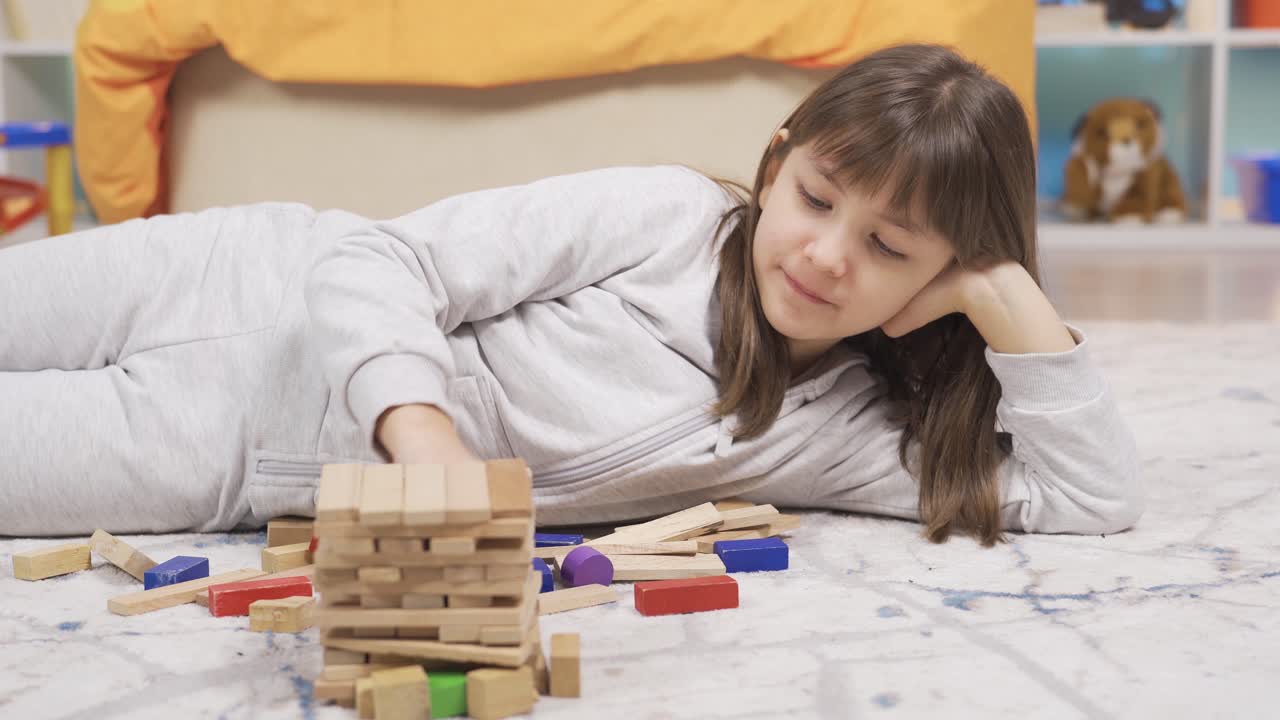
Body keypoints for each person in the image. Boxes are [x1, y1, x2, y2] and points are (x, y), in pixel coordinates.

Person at [0, 44, 1142, 545]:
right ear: (774, 156)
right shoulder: (661, 216)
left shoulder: (836, 433)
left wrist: (1002, 296)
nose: (827, 255)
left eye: (891, 248)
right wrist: (428, 438)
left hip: (211, 449)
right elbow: (379, 262)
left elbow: (1086, 499)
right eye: (815, 196)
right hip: (221, 271)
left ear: (937, 274)